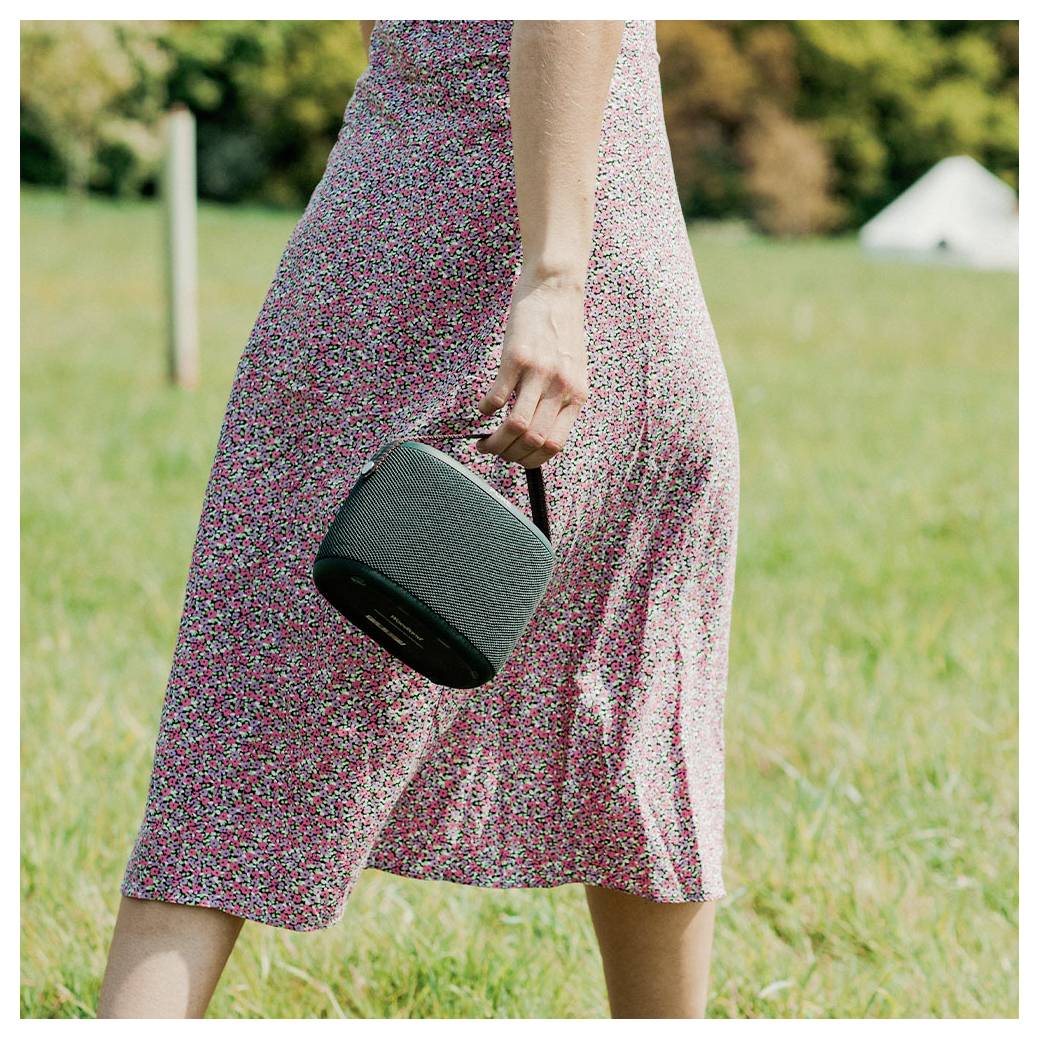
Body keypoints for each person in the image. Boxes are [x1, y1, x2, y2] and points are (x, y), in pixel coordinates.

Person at [98, 19, 739, 1019]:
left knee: (245, 708)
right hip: (561, 242)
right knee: (628, 692)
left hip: (411, 231)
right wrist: (554, 278)